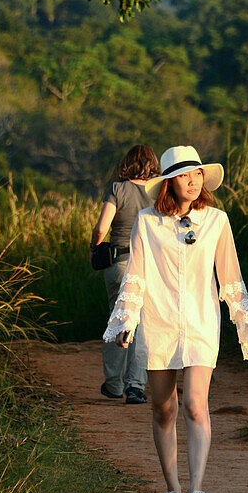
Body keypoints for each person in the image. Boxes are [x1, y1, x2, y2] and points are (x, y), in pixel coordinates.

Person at [102, 145, 248, 493]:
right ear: (168, 183)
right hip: (159, 324)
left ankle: (197, 490)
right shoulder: (146, 221)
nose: (192, 182)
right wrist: (126, 321)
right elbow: (136, 275)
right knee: (162, 408)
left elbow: (230, 277)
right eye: (183, 176)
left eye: (197, 175)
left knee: (194, 403)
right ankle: (172, 490)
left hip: (202, 323)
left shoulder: (217, 221)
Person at [92, 145, 159, 404]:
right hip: (150, 264)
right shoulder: (160, 191)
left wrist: (93, 246)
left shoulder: (117, 189)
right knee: (143, 324)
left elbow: (101, 229)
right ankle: (136, 386)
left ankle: (113, 384)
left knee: (118, 318)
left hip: (119, 261)